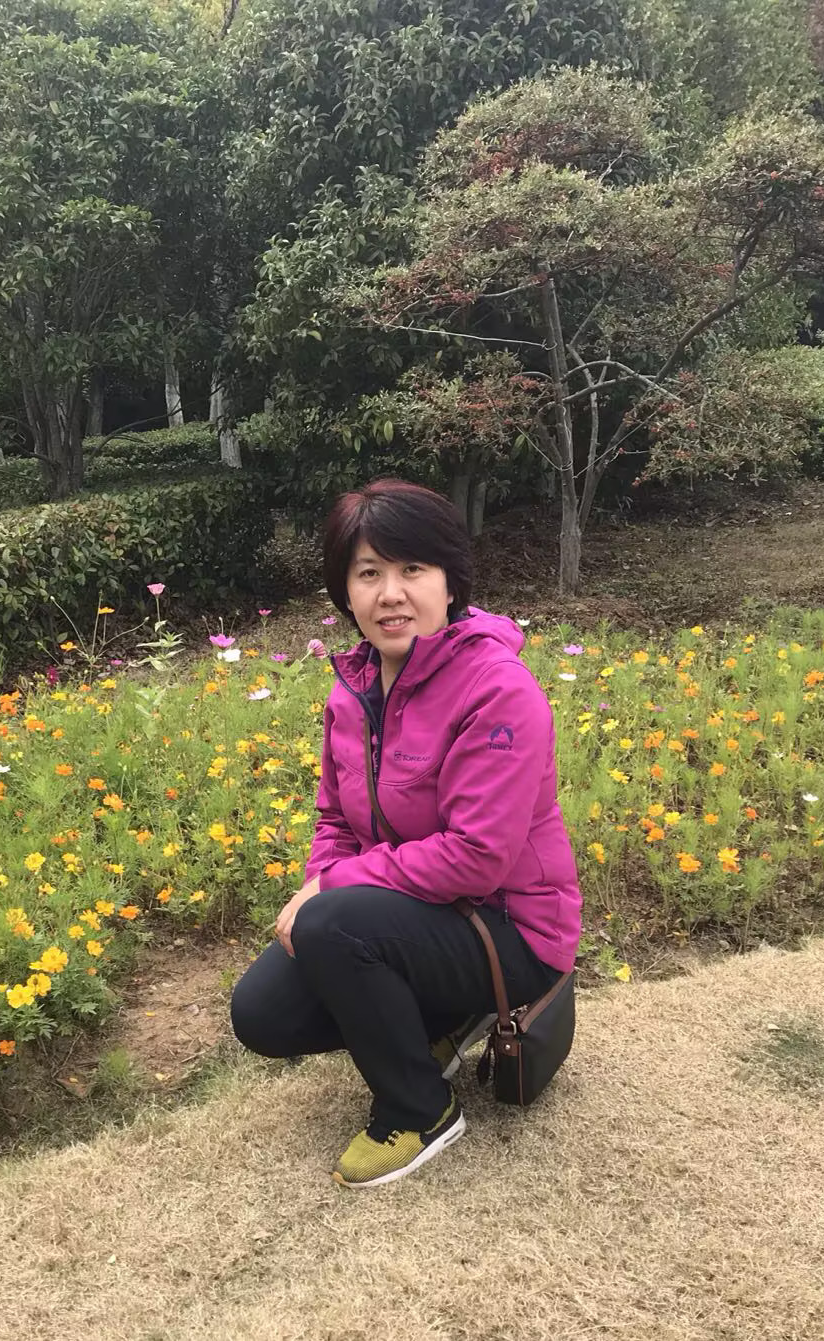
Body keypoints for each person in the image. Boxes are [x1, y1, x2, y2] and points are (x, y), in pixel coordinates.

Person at [230, 478, 582, 1188]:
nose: (390, 593)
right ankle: (439, 1023)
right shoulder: (353, 690)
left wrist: (332, 890)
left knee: (332, 924)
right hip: (416, 915)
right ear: (346, 591)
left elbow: (477, 857)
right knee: (262, 1013)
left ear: (450, 581)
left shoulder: (498, 688)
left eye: (412, 569)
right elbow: (335, 817)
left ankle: (420, 1108)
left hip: (511, 928)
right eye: (368, 573)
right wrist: (322, 878)